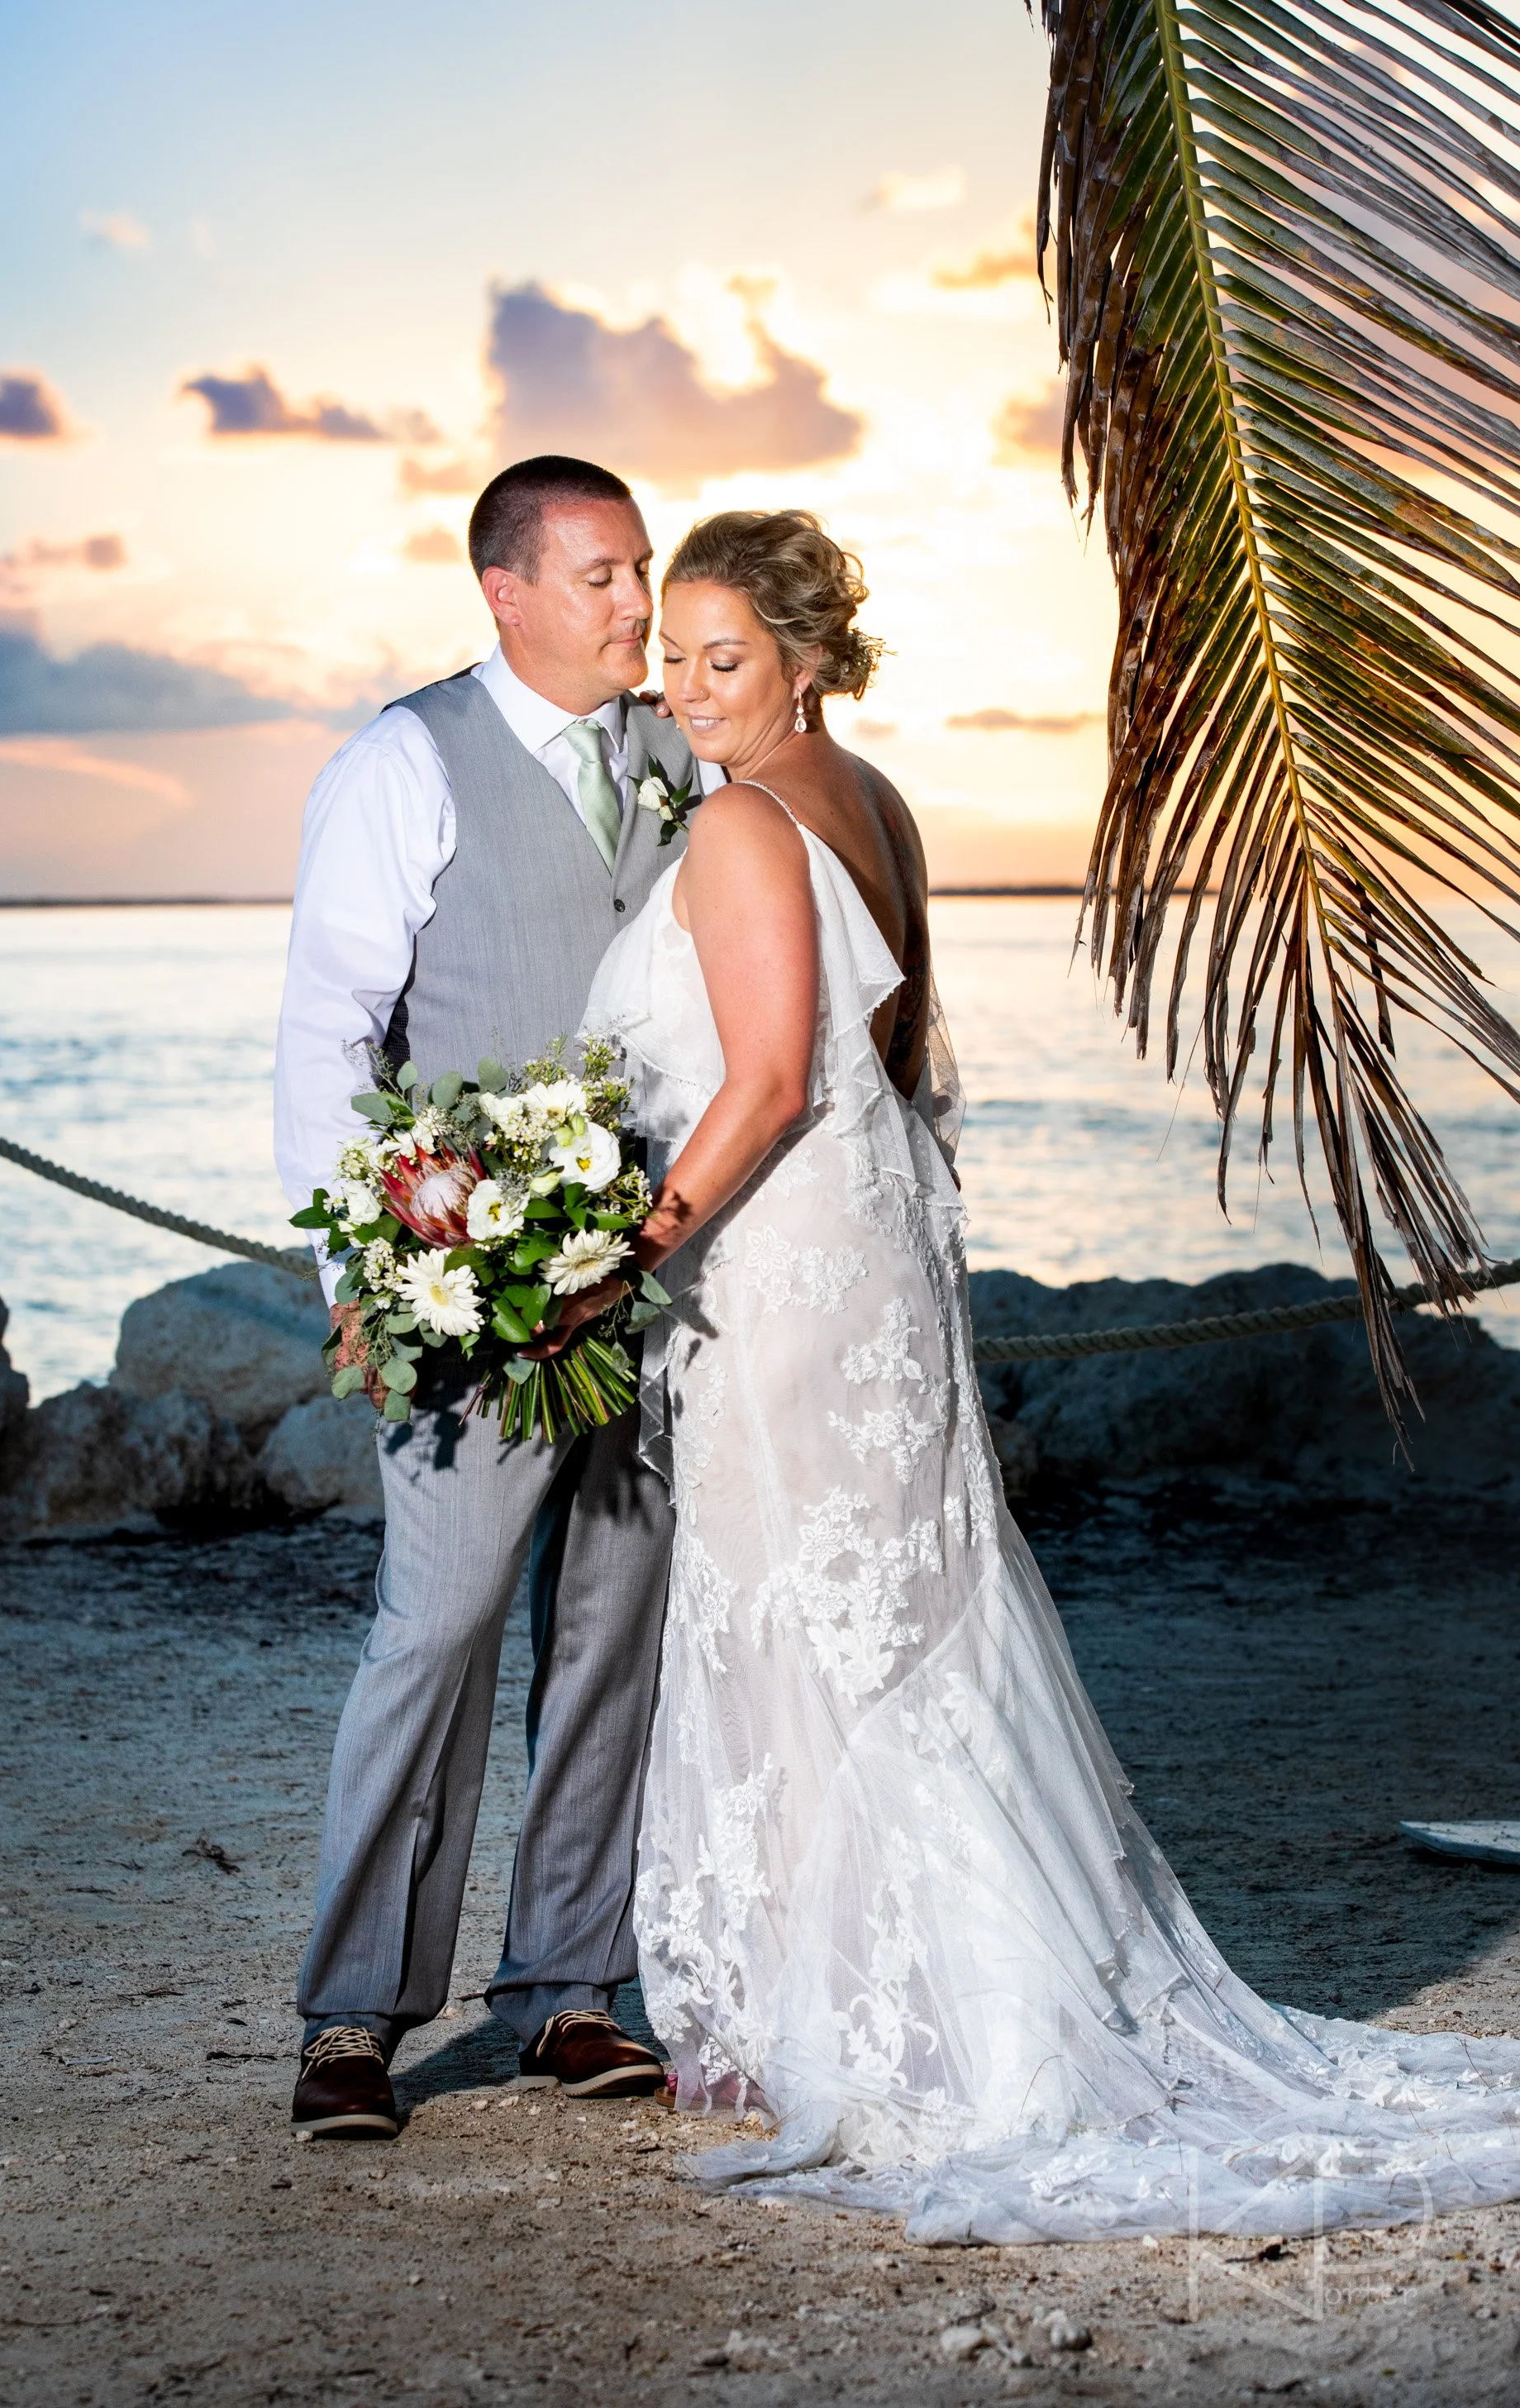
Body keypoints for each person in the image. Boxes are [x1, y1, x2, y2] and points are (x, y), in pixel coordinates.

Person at [578, 506, 1520, 2243]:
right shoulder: (872, 801)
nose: (689, 689)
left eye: (725, 659)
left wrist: (612, 1259)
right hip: (866, 1269)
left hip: (784, 1274)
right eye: (676, 661)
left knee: (812, 1620)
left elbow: (773, 1077)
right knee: (906, 1619)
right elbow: (888, 1053)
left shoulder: (735, 826)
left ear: (801, 662)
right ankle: (906, 1992)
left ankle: (888, 2022)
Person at [274, 455, 712, 2139]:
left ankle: (568, 1990)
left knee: (616, 1625)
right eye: (599, 576)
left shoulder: (677, 756)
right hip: (470, 1290)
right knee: (435, 1628)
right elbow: (330, 1029)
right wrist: (357, 1273)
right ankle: (354, 2018)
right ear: (506, 591)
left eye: (642, 571)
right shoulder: (404, 759)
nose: (634, 605)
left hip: (660, 1280)